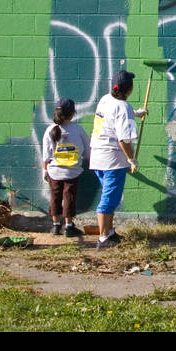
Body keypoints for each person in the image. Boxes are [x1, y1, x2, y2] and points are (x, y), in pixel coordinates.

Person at [90, 69, 147, 250]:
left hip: (98, 156)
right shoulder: (123, 108)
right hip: (112, 160)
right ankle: (103, 238)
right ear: (128, 89)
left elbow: (114, 117)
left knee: (110, 197)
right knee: (108, 199)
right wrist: (132, 159)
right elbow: (123, 139)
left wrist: (136, 113)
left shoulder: (106, 99)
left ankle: (110, 232)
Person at [43, 97, 90, 238]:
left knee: (55, 196)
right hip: (72, 172)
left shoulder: (50, 130)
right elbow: (88, 150)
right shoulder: (78, 130)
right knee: (69, 197)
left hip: (54, 171)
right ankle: (69, 227)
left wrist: (45, 170)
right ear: (72, 113)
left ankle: (56, 225)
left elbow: (46, 154)